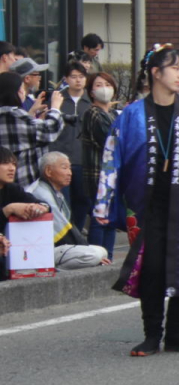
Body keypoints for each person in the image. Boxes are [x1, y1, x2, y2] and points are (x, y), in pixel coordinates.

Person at [93, 45, 179, 356]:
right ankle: (152, 333)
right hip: (146, 204)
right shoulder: (131, 116)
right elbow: (112, 159)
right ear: (155, 72)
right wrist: (104, 203)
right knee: (150, 268)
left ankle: (176, 331)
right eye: (174, 68)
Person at [26, 152, 110, 270]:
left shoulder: (55, 192)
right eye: (64, 168)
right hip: (40, 249)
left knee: (101, 251)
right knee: (93, 255)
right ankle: (55, 272)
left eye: (70, 168)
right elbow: (62, 230)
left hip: (56, 248)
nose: (70, 173)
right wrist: (85, 249)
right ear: (48, 171)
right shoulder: (41, 193)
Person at [0, 70, 64, 188]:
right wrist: (55, 108)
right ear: (17, 91)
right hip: (24, 183)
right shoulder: (17, 116)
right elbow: (50, 130)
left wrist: (32, 112)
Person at [81, 72, 119, 259]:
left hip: (113, 173)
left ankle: (108, 256)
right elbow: (110, 140)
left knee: (110, 219)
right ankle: (97, 258)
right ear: (91, 92)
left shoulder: (112, 113)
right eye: (98, 85)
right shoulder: (92, 113)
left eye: (107, 83)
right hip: (97, 173)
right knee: (99, 218)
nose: (104, 88)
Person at [50, 61, 92, 229]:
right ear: (66, 79)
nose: (78, 80)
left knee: (83, 201)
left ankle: (78, 232)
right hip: (61, 158)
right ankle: (66, 235)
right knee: (63, 202)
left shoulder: (90, 101)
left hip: (83, 159)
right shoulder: (57, 100)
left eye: (81, 77)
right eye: (73, 77)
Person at [0, 146, 42, 281]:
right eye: (5, 163)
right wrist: (8, 209)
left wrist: (38, 208)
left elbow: (42, 205)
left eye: (14, 164)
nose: (12, 168)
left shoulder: (12, 189)